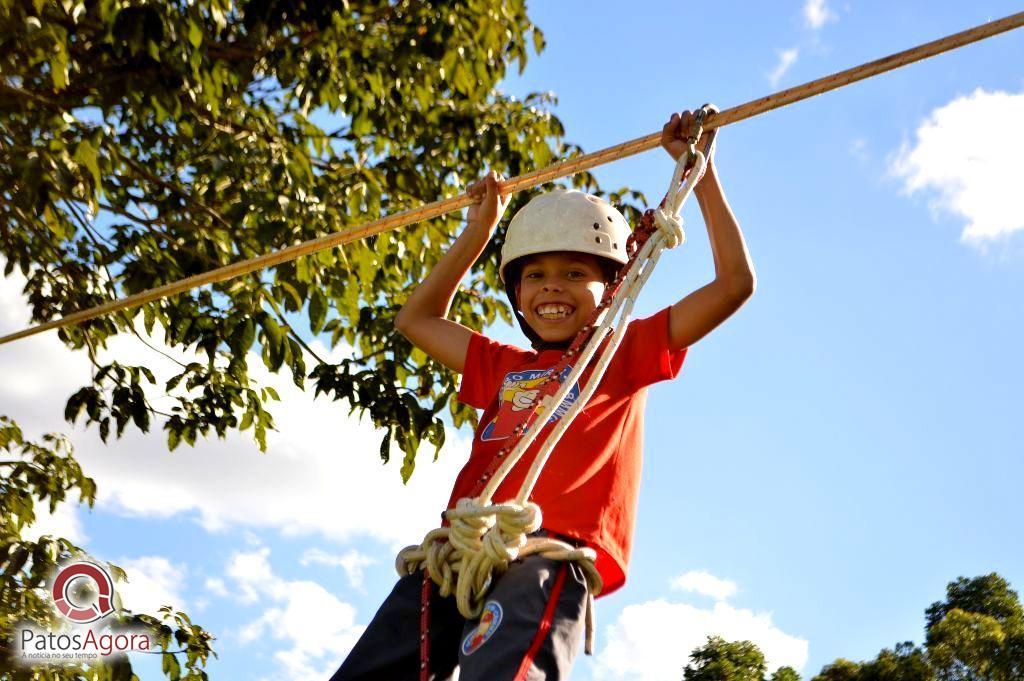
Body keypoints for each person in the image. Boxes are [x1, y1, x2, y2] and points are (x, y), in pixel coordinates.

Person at [329, 110, 756, 680]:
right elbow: (417, 318)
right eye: (535, 275)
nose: (552, 285)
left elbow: (734, 286)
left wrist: (699, 176)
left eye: (575, 272)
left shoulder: (620, 353)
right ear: (517, 292)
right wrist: (478, 234)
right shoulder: (504, 367)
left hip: (543, 553)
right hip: (457, 557)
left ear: (612, 286)